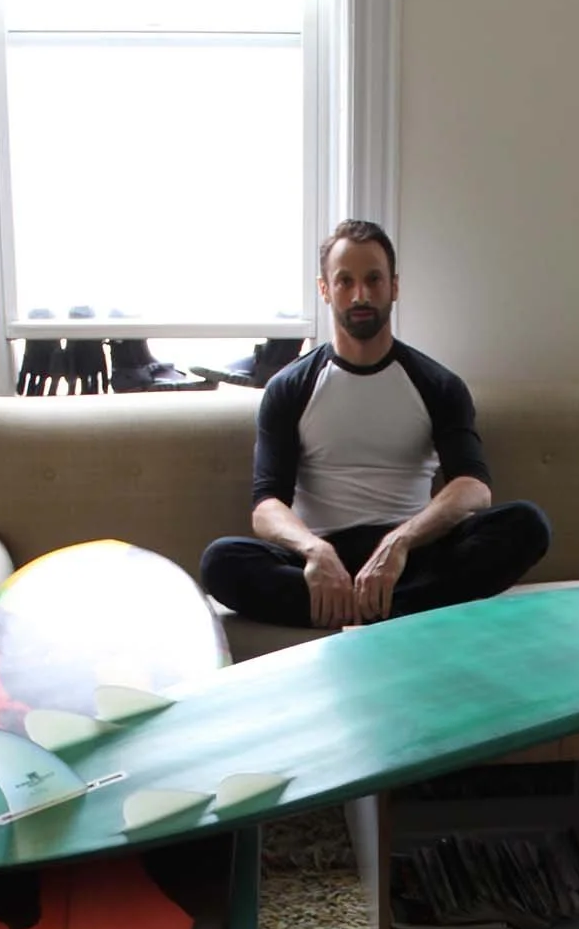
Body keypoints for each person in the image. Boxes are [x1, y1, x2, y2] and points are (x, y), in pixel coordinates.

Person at [201, 220, 551, 629]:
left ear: (394, 286)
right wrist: (315, 551)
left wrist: (399, 541)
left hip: (411, 556)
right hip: (322, 563)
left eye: (373, 279)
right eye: (345, 281)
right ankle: (392, 613)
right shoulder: (290, 387)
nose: (360, 295)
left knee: (527, 525)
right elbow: (266, 506)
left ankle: (368, 610)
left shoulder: (438, 384)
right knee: (221, 561)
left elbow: (473, 486)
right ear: (325, 290)